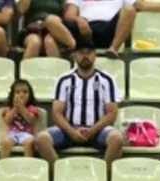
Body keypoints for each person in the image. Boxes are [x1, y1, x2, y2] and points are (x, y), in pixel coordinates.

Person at [34, 38, 125, 173]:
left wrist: (92, 130)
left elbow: (112, 113)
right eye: (81, 52)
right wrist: (71, 131)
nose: (85, 56)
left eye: (89, 52)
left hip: (97, 131)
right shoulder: (64, 79)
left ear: (95, 55)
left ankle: (103, 178)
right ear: (75, 55)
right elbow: (56, 113)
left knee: (117, 138)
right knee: (41, 139)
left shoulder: (107, 80)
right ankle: (61, 175)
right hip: (68, 130)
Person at [0, 79, 41, 158]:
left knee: (29, 143)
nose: (21, 95)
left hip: (27, 134)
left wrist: (21, 107)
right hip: (12, 133)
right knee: (5, 142)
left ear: (30, 95)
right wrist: (16, 107)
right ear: (12, 95)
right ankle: (3, 164)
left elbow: (30, 120)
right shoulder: (9, 108)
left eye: (25, 92)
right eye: (18, 92)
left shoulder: (32, 108)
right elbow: (7, 121)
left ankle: (28, 165)